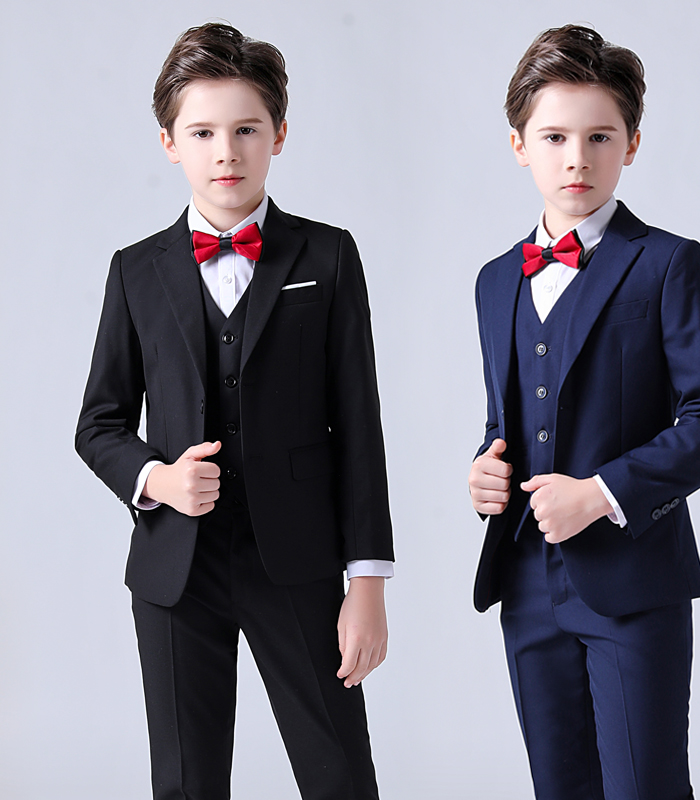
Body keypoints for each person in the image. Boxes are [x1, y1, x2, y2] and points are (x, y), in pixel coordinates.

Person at [76, 23, 393, 800]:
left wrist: (368, 582)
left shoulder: (328, 256)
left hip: (299, 562)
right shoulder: (135, 271)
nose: (227, 151)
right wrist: (156, 478)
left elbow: (358, 427)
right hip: (174, 573)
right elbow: (99, 424)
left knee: (340, 777)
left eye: (247, 129)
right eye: (203, 132)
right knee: (186, 784)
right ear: (169, 143)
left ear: (278, 135)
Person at [467, 24, 700, 799]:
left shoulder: (669, 263)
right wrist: (486, 471)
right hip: (526, 583)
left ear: (632, 144)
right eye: (555, 137)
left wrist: (600, 493)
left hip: (634, 582)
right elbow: (511, 418)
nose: (577, 159)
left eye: (599, 137)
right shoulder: (495, 280)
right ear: (519, 145)